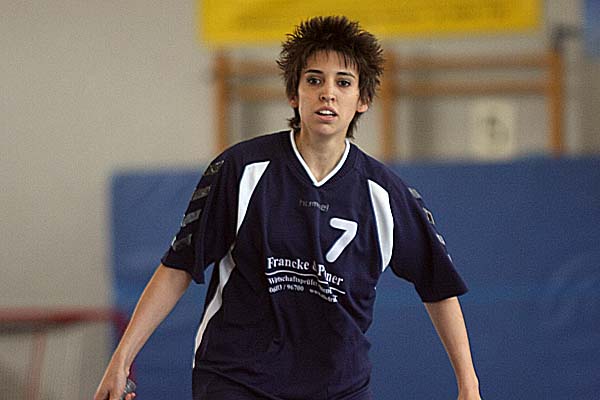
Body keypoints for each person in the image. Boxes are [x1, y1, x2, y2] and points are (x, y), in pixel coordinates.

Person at [95, 15, 481, 400]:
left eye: (343, 82)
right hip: (237, 378)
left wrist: (469, 385)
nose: (327, 93)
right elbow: (178, 266)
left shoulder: (385, 195)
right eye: (314, 80)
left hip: (337, 386)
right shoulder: (241, 170)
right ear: (294, 95)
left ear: (362, 100)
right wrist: (121, 359)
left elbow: (439, 286)